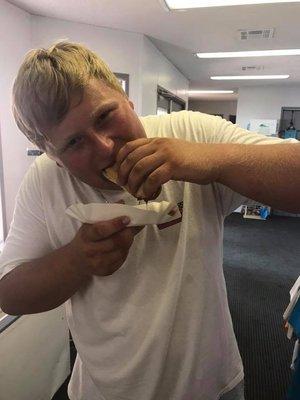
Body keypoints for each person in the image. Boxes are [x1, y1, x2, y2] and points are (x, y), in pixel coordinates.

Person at [0, 41, 299, 400]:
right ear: (55, 157)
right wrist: (78, 260)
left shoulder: (190, 132)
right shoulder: (46, 179)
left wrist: (211, 161)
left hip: (212, 385)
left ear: (127, 100)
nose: (106, 147)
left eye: (105, 116)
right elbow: (10, 294)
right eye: (75, 142)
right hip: (102, 390)